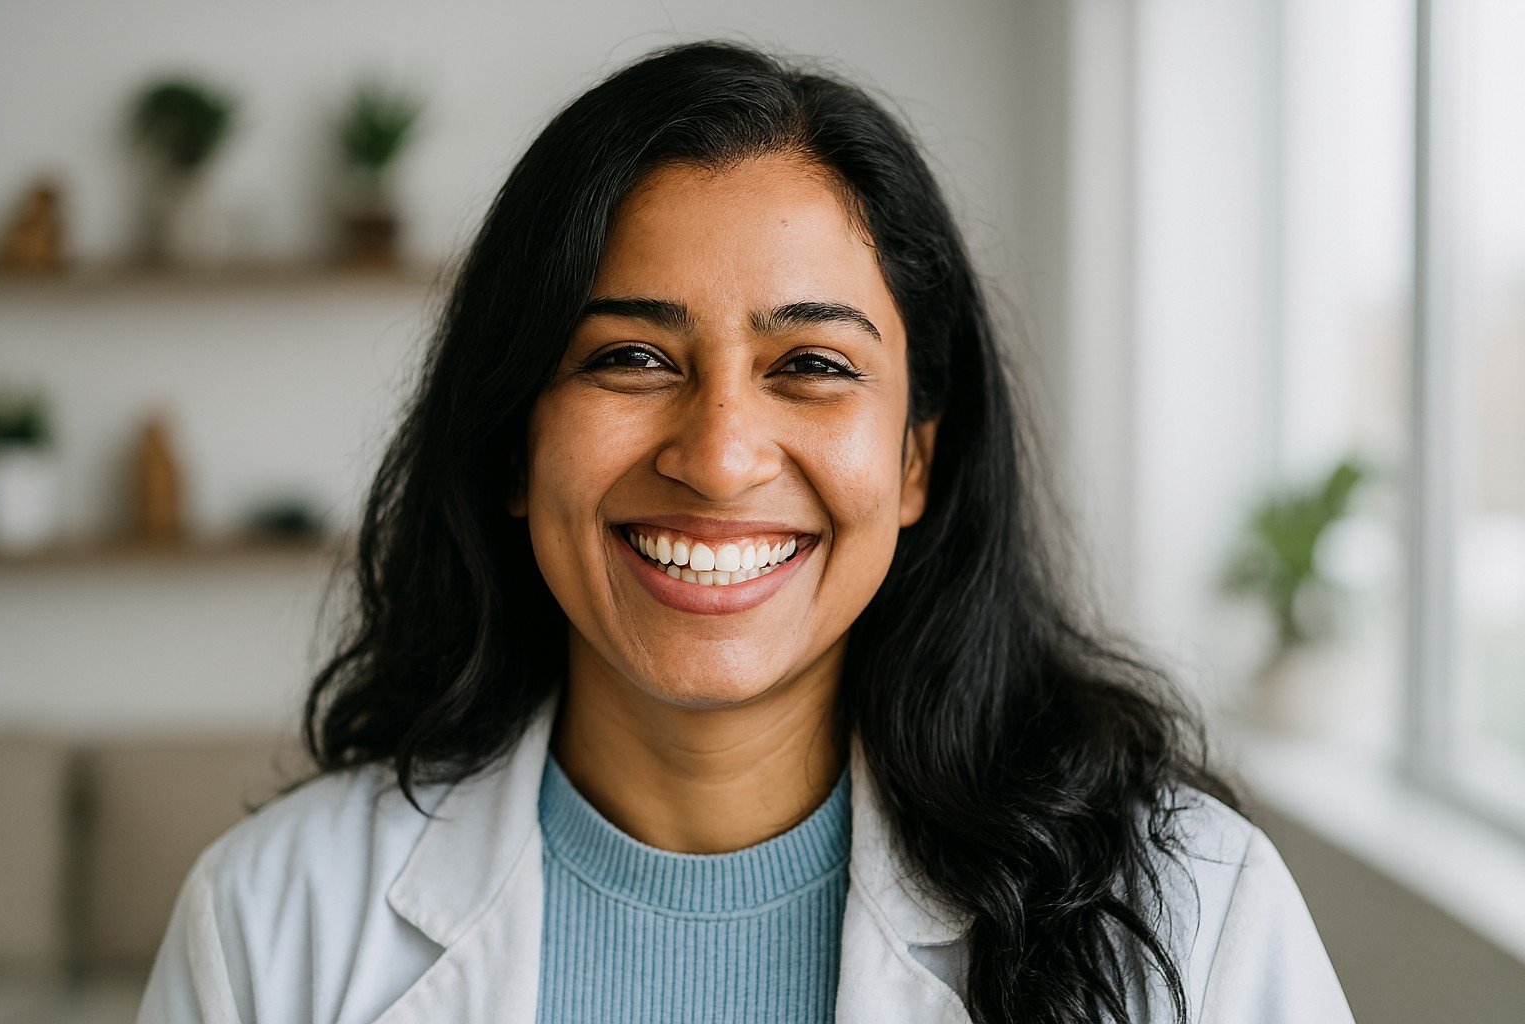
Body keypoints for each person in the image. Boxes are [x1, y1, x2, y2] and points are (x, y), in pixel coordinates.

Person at [137, 41, 1357, 1024]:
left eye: (813, 364)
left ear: (917, 457)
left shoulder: (1192, 915)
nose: (720, 456)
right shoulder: (269, 924)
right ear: (514, 441)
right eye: (630, 357)